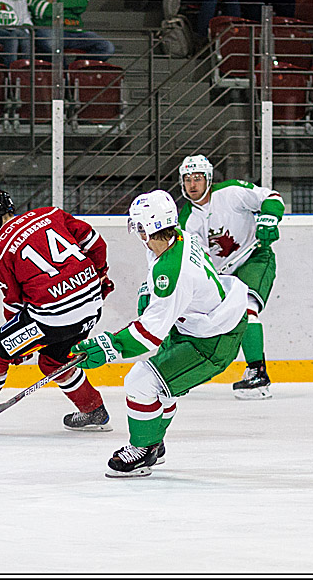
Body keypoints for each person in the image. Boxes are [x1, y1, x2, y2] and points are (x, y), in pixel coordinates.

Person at [70, 189, 250, 477]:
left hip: (211, 342)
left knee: (140, 382)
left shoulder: (171, 270)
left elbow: (150, 334)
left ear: (146, 228)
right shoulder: (179, 238)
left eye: (138, 226)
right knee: (162, 390)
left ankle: (142, 450)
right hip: (199, 326)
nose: (137, 233)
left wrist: (109, 346)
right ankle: (154, 444)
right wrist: (150, 293)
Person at [0, 188, 116, 432]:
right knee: (53, 360)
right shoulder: (51, 214)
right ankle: (93, 410)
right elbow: (95, 243)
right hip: (92, 305)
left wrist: (15, 347)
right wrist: (100, 275)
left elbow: (14, 302)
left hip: (55, 317)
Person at [177, 154, 284, 399]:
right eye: (188, 179)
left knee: (246, 308)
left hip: (254, 259)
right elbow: (194, 260)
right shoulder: (186, 220)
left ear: (209, 179)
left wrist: (269, 217)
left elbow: (271, 197)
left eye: (198, 178)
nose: (192, 184)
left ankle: (258, 374)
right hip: (222, 276)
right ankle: (181, 373)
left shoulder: (231, 192)